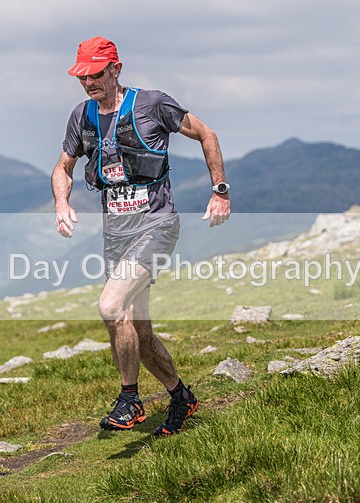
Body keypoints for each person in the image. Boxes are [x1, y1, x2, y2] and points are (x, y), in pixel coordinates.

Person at [51, 36, 231, 436]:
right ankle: (181, 396)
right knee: (140, 331)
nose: (89, 82)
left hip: (157, 225)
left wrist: (219, 191)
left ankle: (129, 399)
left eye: (96, 74)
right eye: (82, 76)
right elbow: (62, 168)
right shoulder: (82, 116)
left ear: (116, 69)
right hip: (117, 235)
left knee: (110, 306)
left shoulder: (152, 105)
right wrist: (62, 204)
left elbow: (207, 134)